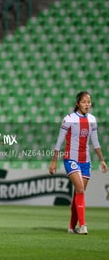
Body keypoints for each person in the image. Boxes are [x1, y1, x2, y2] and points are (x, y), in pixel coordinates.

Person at [49, 91, 107, 235]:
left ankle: (71, 227)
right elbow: (59, 141)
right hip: (70, 158)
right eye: (84, 102)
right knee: (80, 190)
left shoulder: (92, 119)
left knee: (78, 194)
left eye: (89, 102)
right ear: (77, 103)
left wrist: (102, 160)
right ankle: (83, 225)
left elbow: (95, 141)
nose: (87, 104)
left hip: (85, 161)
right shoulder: (69, 119)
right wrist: (54, 161)